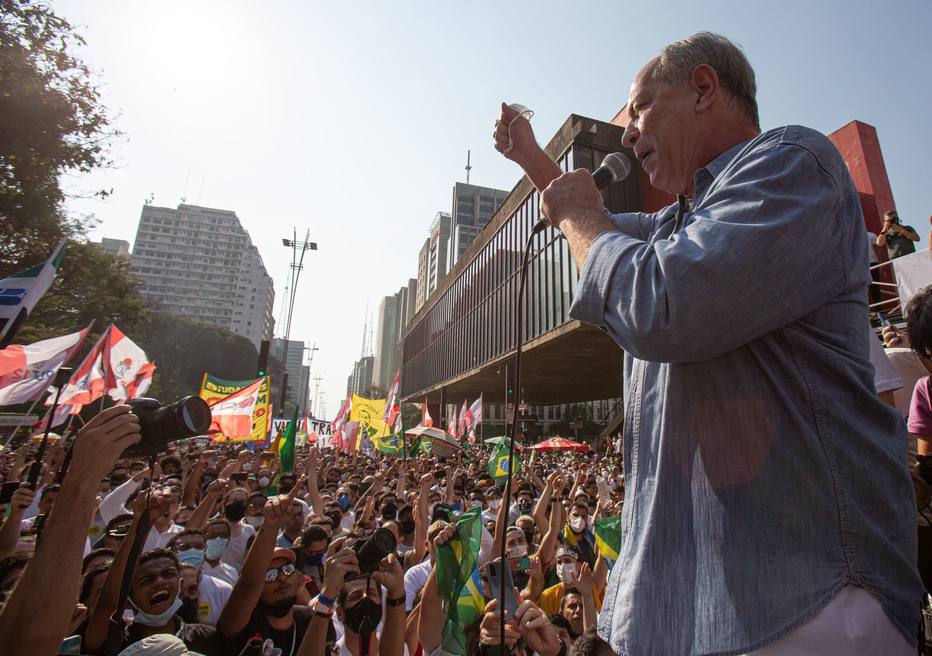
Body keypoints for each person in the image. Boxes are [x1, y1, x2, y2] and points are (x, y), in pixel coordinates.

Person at [493, 31, 920, 655]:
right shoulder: (677, 223)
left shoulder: (792, 164)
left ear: (702, 88)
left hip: (808, 609)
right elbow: (596, 230)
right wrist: (534, 161)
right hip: (692, 618)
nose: (628, 133)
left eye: (639, 108)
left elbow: (655, 302)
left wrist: (578, 212)